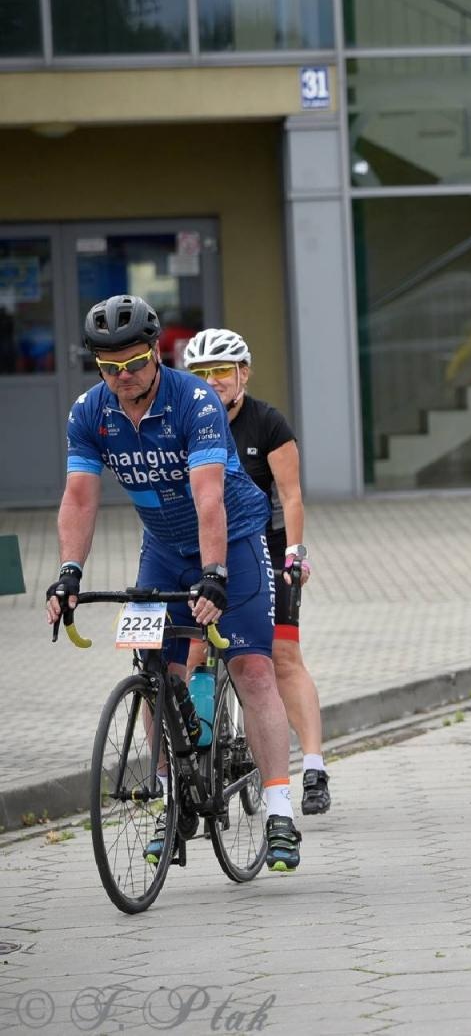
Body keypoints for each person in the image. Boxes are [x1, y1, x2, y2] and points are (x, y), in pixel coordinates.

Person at [45, 295, 302, 870]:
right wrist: (68, 574)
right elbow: (80, 497)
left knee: (252, 666)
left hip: (230, 538)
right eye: (109, 368)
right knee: (157, 670)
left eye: (133, 363)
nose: (123, 378)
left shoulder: (196, 400)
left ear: (156, 352)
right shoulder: (90, 412)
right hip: (161, 548)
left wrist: (214, 577)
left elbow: (208, 496)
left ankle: (281, 810)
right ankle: (170, 798)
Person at [183, 328, 331, 815]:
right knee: (195, 651)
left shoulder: (266, 422)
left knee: (283, 656)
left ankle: (312, 766)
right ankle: (201, 763)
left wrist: (295, 554)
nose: (212, 381)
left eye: (221, 371)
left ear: (243, 372)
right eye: (200, 374)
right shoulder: (186, 422)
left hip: (264, 553)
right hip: (208, 555)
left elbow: (290, 497)